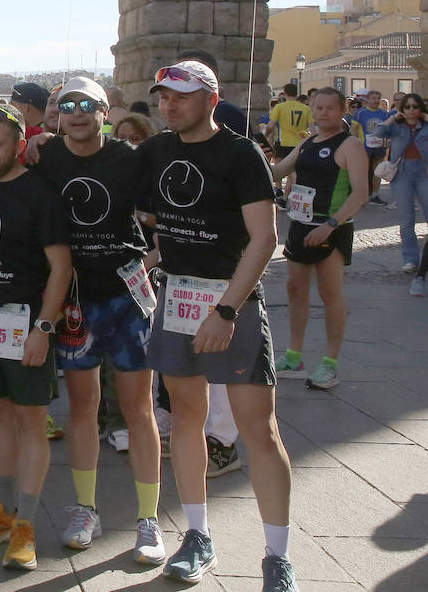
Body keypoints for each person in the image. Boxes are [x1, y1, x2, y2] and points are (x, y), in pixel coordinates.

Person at [141, 61, 296, 592]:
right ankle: (197, 535)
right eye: (163, 97)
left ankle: (278, 557)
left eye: (181, 97)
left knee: (260, 428)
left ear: (211, 98)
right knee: (186, 418)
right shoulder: (158, 151)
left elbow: (263, 237)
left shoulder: (239, 152)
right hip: (178, 297)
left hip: (232, 302)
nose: (169, 106)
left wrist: (227, 310)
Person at [31, 77, 165, 565]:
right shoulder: (44, 156)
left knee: (138, 409)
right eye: (69, 105)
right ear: (58, 114)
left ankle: (148, 519)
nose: (79, 112)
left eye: (88, 105)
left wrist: (149, 262)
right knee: (82, 407)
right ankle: (86, 508)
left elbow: (167, 215)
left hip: (126, 299)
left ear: (104, 111)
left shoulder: (130, 159)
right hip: (74, 302)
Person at [0, 104, 72, 573]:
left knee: (31, 421)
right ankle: (2, 513)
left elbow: (61, 267)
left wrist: (43, 330)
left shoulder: (39, 194)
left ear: (18, 145)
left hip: (26, 322)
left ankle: (25, 525)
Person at [271, 87, 368, 387]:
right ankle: (293, 357)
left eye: (329, 108)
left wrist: (330, 224)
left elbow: (361, 192)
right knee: (295, 290)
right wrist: (250, 158)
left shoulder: (350, 145)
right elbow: (278, 172)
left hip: (331, 228)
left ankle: (330, 364)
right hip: (300, 225)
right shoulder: (308, 142)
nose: (323, 113)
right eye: (318, 107)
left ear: (342, 111)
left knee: (330, 294)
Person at [370, 93, 428, 277]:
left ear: (420, 109)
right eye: (407, 106)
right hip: (401, 174)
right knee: (406, 220)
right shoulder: (396, 126)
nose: (411, 110)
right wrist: (393, 117)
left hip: (423, 173)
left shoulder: (426, 126)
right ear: (402, 109)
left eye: (415, 106)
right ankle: (411, 260)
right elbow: (377, 132)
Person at [352, 89, 392, 205]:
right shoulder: (360, 113)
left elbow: (388, 130)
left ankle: (375, 195)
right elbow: (353, 130)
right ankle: (363, 196)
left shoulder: (384, 114)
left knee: (377, 172)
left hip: (379, 146)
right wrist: (354, 145)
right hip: (364, 147)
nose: (376, 101)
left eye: (378, 98)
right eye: (373, 98)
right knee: (363, 172)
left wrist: (387, 141)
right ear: (367, 100)